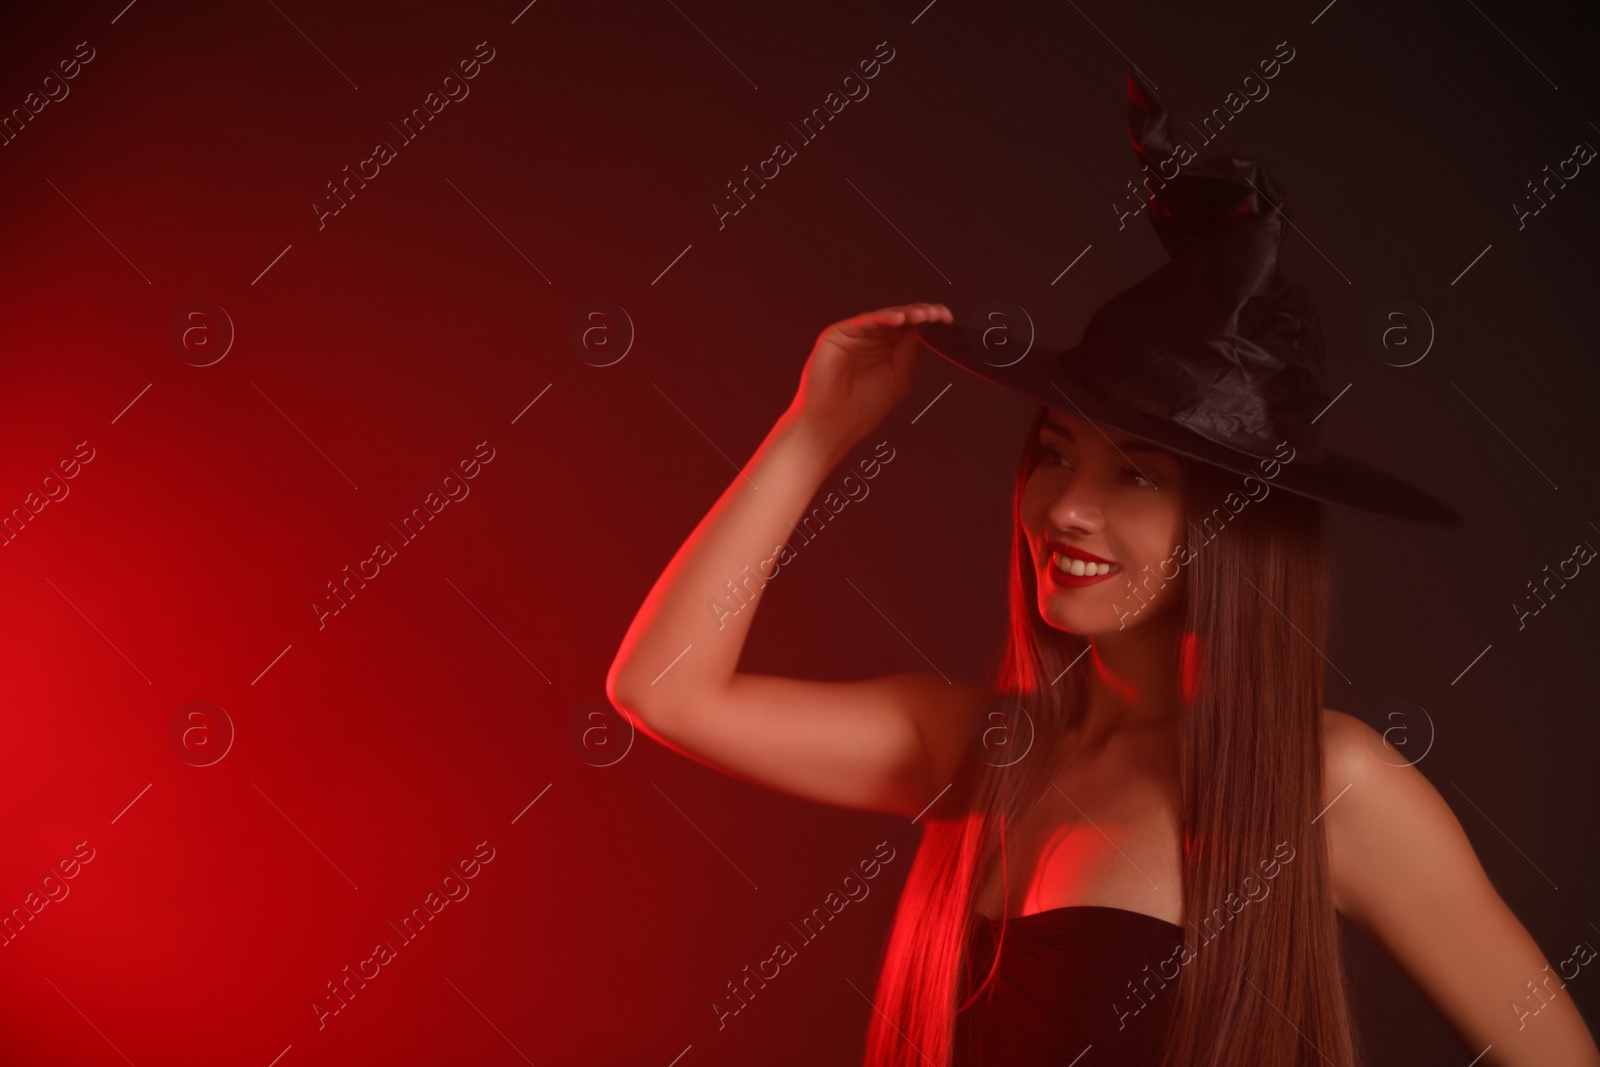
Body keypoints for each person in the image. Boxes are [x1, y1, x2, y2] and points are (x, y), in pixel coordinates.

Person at [606, 69, 1600, 1067]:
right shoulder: (985, 744)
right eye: (1053, 453)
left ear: (1236, 522)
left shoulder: (1326, 783)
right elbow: (663, 689)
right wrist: (812, 433)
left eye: (1134, 476)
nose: (1066, 506)